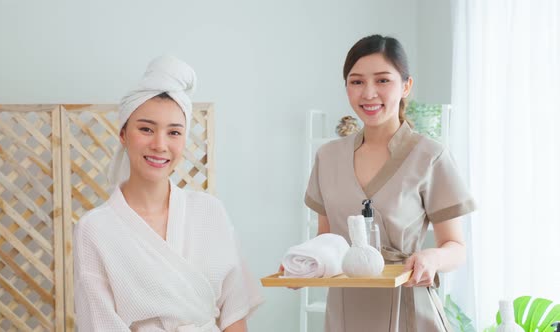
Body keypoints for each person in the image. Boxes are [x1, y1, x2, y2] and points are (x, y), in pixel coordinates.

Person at [73, 56, 263, 332]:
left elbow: (234, 311)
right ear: (123, 134)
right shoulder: (95, 229)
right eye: (146, 129)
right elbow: (99, 324)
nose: (160, 144)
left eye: (174, 132)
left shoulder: (210, 211)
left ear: (184, 139)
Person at [304, 35, 476, 331]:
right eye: (356, 82)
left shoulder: (430, 156)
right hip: (346, 310)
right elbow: (326, 240)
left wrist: (431, 258)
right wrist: (303, 263)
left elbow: (456, 247)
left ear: (406, 86)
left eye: (383, 80)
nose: (369, 93)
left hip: (408, 306)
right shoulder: (328, 157)